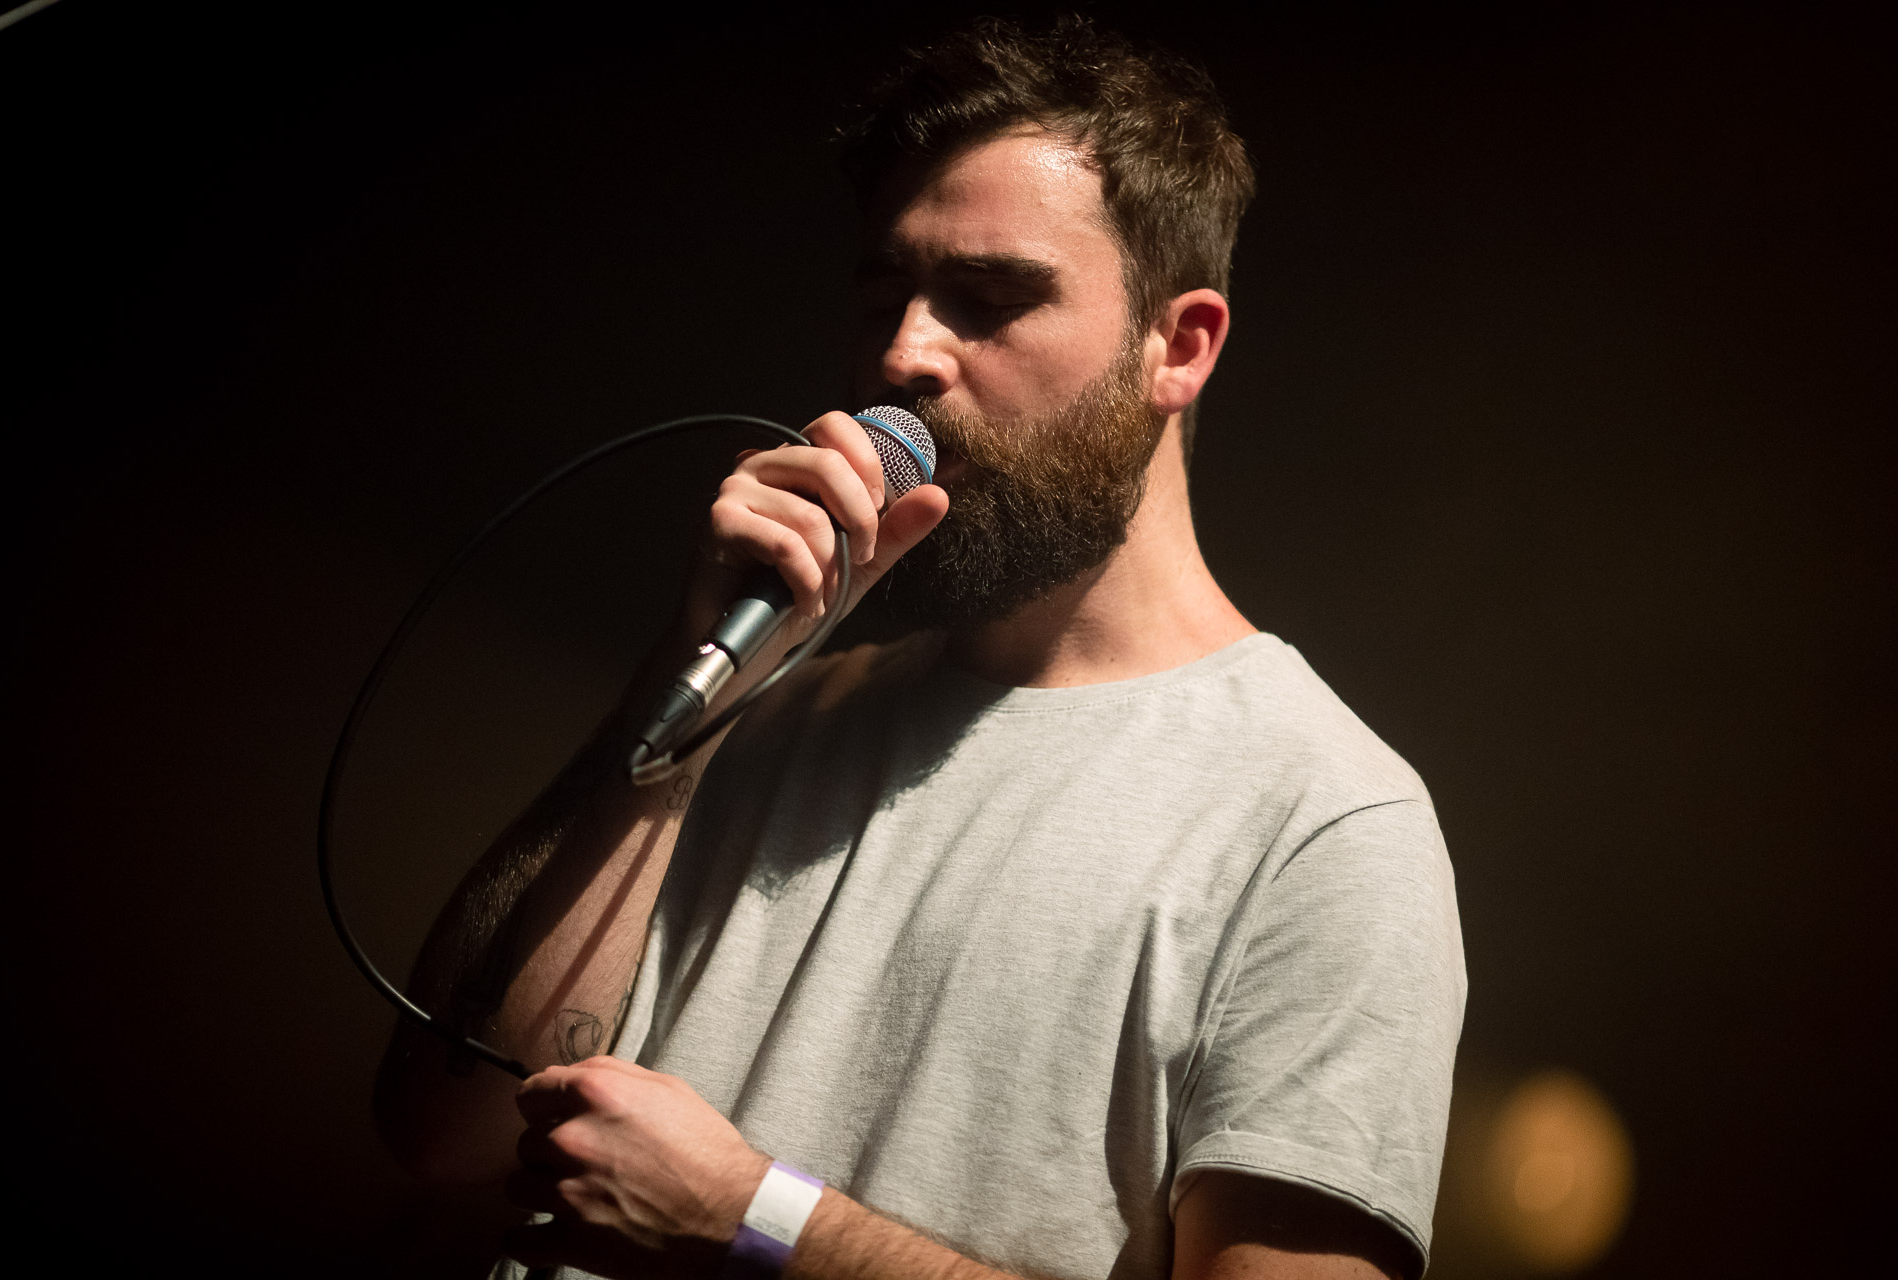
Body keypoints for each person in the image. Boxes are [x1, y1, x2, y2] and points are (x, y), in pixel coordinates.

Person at [376, 16, 1465, 1280]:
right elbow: (442, 1130)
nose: (903, 354)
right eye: (884, 294)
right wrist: (681, 681)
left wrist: (749, 1218)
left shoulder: (1324, 821)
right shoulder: (758, 707)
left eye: (992, 300)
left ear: (1179, 346)